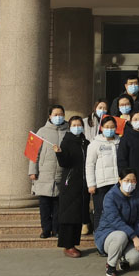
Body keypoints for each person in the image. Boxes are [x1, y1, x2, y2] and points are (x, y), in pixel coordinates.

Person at [95, 168, 139, 276]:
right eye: (127, 180)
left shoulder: (137, 196)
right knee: (121, 236)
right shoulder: (110, 196)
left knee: (136, 256)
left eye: (133, 181)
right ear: (120, 180)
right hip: (108, 235)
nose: (130, 183)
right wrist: (134, 237)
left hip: (129, 236)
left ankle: (123, 260)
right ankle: (111, 265)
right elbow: (115, 221)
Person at [29, 104, 69, 239]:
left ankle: (56, 229)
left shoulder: (68, 131)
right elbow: (33, 153)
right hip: (44, 173)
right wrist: (32, 171)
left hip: (61, 174)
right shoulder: (41, 131)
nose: (58, 117)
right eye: (55, 114)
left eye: (61, 114)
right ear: (50, 116)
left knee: (58, 204)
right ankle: (45, 229)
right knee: (44, 205)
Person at [54, 115, 89, 257]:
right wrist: (59, 154)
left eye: (79, 125)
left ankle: (74, 243)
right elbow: (64, 163)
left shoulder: (85, 142)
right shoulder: (66, 141)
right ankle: (67, 245)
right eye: (74, 125)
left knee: (77, 215)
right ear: (69, 127)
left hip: (82, 183)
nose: (77, 127)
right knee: (68, 214)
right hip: (70, 182)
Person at [86, 115, 120, 233]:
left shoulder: (120, 142)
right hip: (101, 184)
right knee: (100, 211)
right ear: (101, 128)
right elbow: (90, 165)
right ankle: (99, 235)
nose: (109, 129)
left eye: (112, 127)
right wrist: (91, 184)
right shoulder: (95, 144)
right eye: (107, 127)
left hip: (117, 183)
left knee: (116, 210)